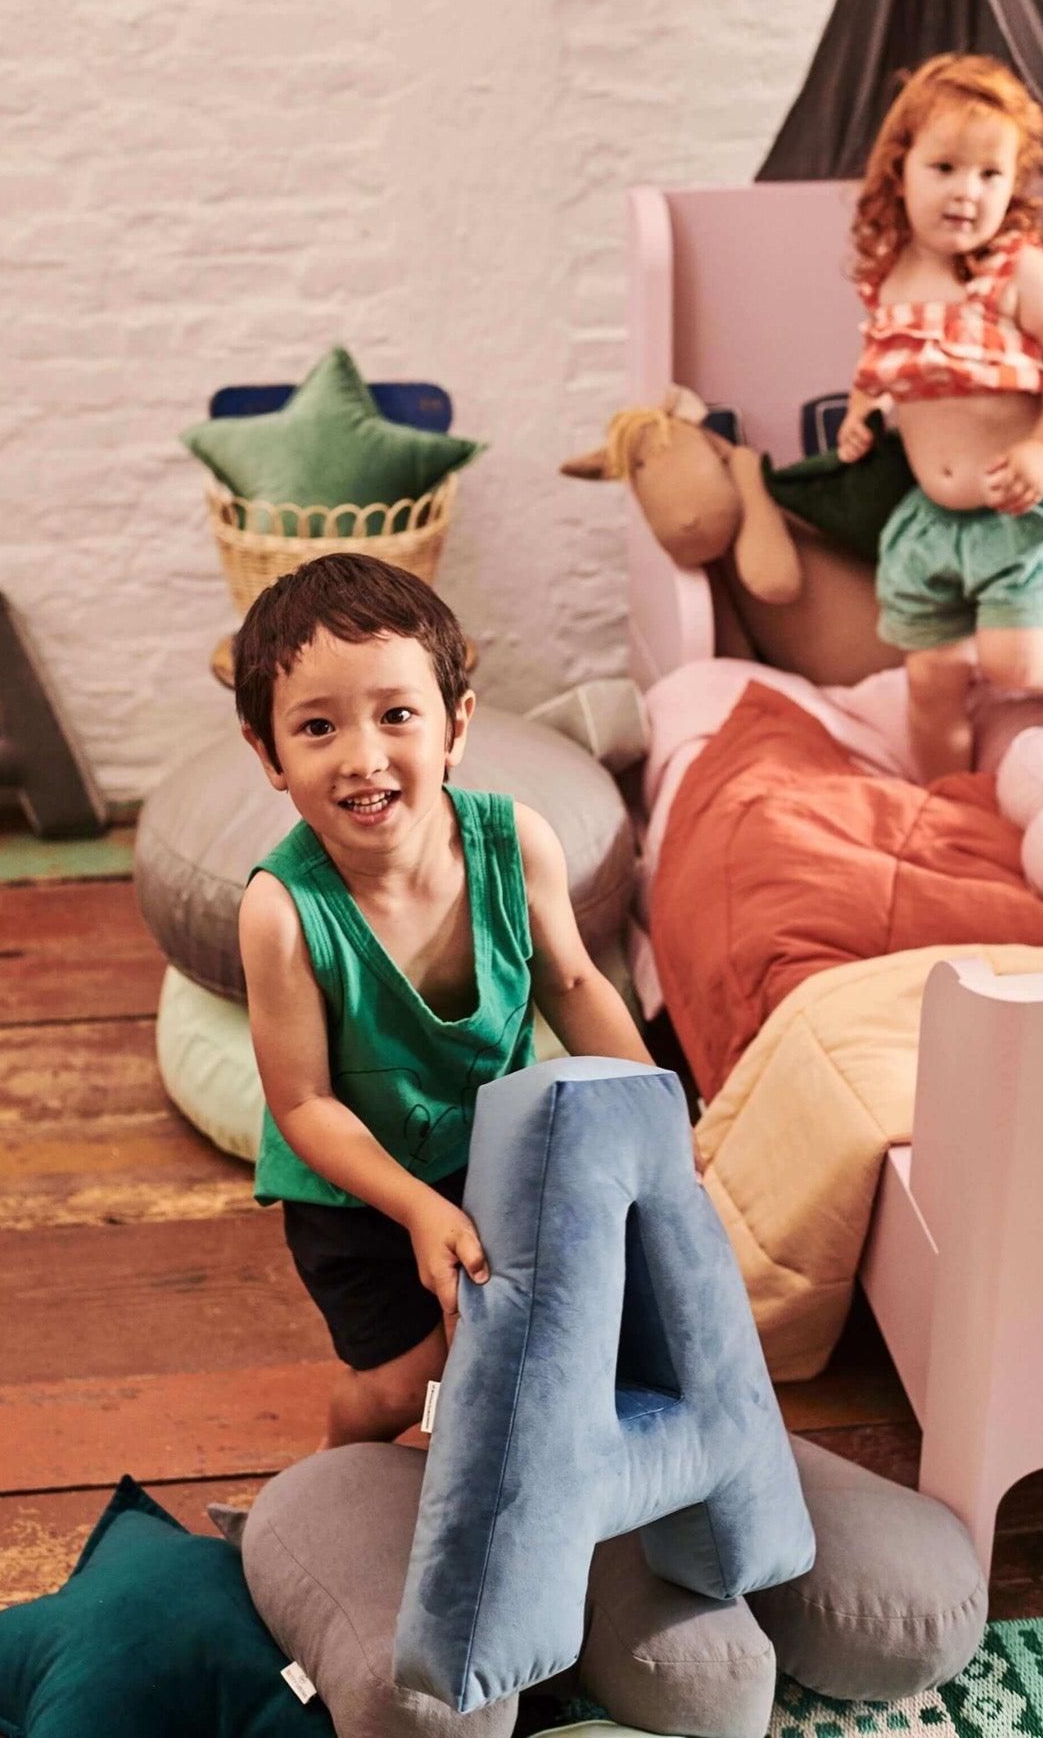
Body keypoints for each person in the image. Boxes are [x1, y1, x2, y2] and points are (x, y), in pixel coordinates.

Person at [233, 553, 653, 1447]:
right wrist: (418, 1208)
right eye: (316, 728)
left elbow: (574, 985)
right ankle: (336, 1477)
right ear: (266, 754)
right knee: (404, 1384)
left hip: (494, 1153)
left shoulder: (514, 846)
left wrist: (652, 1122)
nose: (363, 757)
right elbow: (302, 1102)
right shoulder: (281, 915)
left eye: (396, 716)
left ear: (455, 726)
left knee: (532, 1342)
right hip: (352, 1193)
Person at [837, 53, 1043, 782]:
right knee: (930, 673)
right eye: (944, 168)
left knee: (1010, 660)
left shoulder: (1018, 275)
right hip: (937, 527)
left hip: (1026, 513)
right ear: (898, 170)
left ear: (1013, 186)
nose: (967, 192)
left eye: (990, 175)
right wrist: (860, 412)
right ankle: (947, 796)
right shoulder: (887, 278)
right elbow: (883, 368)